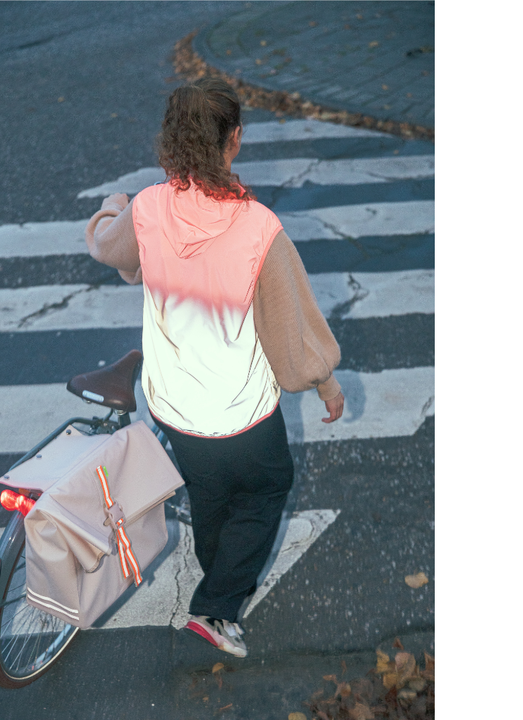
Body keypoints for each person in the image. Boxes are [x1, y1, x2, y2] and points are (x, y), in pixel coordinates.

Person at [85, 78, 344, 658]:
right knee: (266, 488)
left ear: (171, 141)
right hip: (243, 412)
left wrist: (112, 208)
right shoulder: (259, 228)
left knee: (211, 499)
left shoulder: (149, 208)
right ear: (235, 141)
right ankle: (217, 607)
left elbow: (108, 247)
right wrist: (323, 380)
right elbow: (292, 324)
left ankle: (216, 589)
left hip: (175, 408)